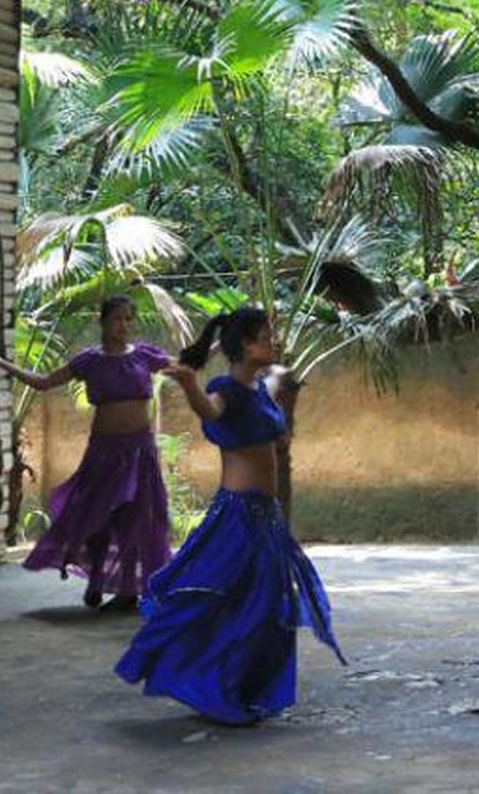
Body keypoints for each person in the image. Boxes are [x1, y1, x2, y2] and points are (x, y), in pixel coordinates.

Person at [115, 307, 343, 723]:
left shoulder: (261, 388)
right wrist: (187, 383)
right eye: (262, 337)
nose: (271, 342)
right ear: (243, 346)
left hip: (267, 518)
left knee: (271, 609)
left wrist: (231, 341)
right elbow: (210, 411)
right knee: (230, 604)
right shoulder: (227, 391)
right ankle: (217, 689)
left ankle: (245, 689)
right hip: (238, 516)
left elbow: (278, 373)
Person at [0, 295, 172, 609]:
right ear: (103, 322)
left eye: (127, 319)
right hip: (104, 452)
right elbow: (43, 383)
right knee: (98, 516)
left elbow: (186, 366)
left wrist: (222, 344)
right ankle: (96, 579)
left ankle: (127, 591)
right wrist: (3, 364)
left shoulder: (144, 357)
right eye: (116, 319)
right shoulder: (89, 361)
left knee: (136, 518)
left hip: (139, 451)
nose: (122, 326)